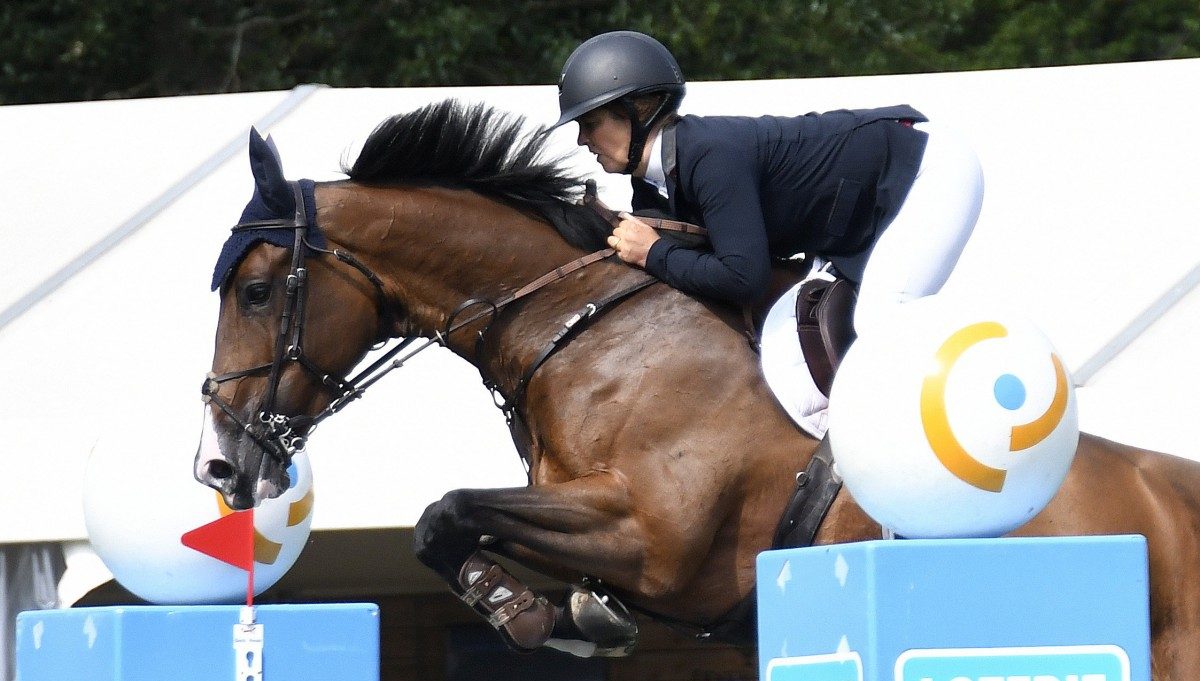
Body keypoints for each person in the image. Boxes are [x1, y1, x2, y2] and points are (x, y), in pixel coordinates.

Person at [552, 30, 984, 438]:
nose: (581, 140)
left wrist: (653, 253)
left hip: (927, 170)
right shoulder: (650, 182)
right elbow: (683, 270)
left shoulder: (709, 155)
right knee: (798, 377)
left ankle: (941, 450)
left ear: (637, 110)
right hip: (856, 215)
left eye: (589, 124)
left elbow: (744, 277)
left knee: (880, 315)